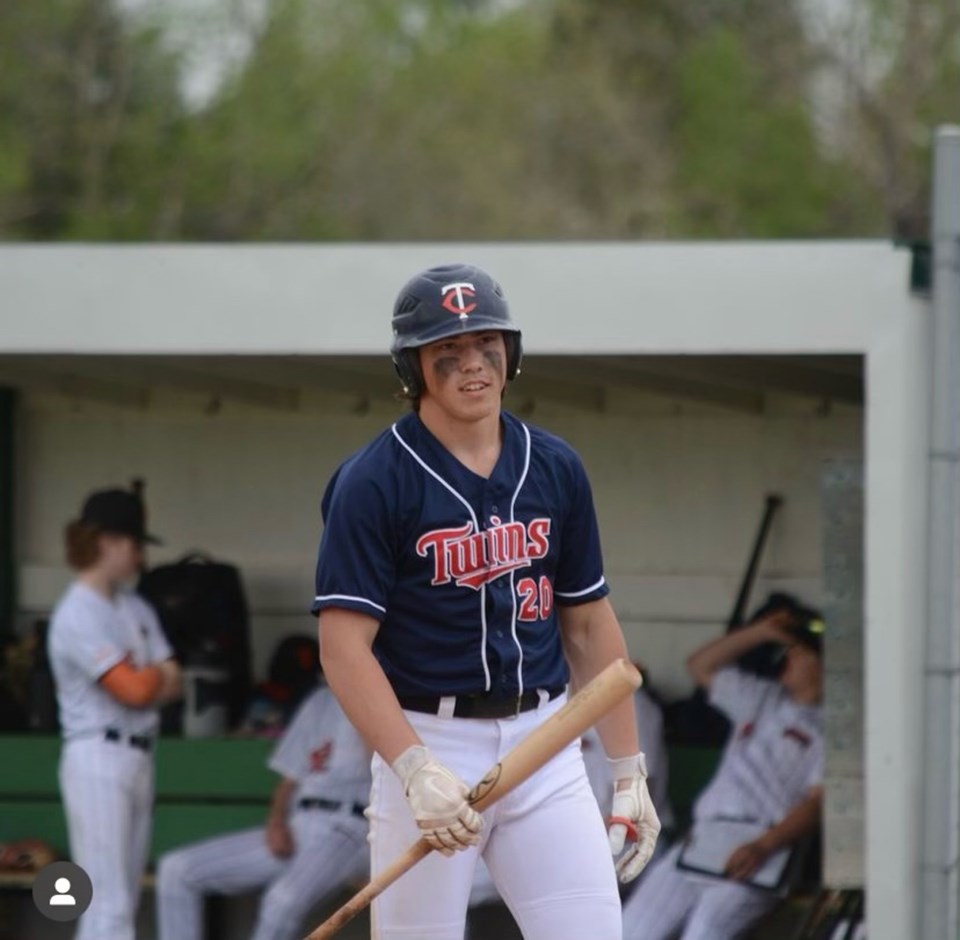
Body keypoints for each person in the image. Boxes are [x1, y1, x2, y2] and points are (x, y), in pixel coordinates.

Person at [312, 262, 660, 940]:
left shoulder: (554, 465)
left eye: (486, 346)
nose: (473, 365)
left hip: (547, 742)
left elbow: (588, 623)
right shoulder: (373, 481)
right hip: (430, 736)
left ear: (511, 355)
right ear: (413, 370)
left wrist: (627, 768)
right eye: (449, 352)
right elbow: (343, 647)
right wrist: (412, 768)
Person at [621, 604, 825, 940]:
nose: (787, 658)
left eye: (799, 653)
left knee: (704, 933)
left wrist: (764, 845)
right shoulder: (762, 698)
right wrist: (762, 631)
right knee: (630, 931)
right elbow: (700, 665)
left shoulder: (834, 729)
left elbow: (817, 804)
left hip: (761, 846)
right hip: (705, 837)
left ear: (821, 665)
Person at [47, 487, 182, 940]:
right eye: (134, 544)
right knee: (108, 900)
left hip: (139, 753)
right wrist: (153, 676)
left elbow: (173, 680)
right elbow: (136, 690)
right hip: (97, 754)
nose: (139, 556)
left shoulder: (134, 606)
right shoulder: (76, 612)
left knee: (122, 895)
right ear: (107, 541)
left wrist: (153, 677)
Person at [156, 678, 371, 940]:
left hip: (349, 828)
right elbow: (289, 777)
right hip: (300, 823)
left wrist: (366, 699)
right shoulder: (320, 700)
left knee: (280, 902)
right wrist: (277, 822)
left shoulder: (383, 699)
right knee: (176, 870)